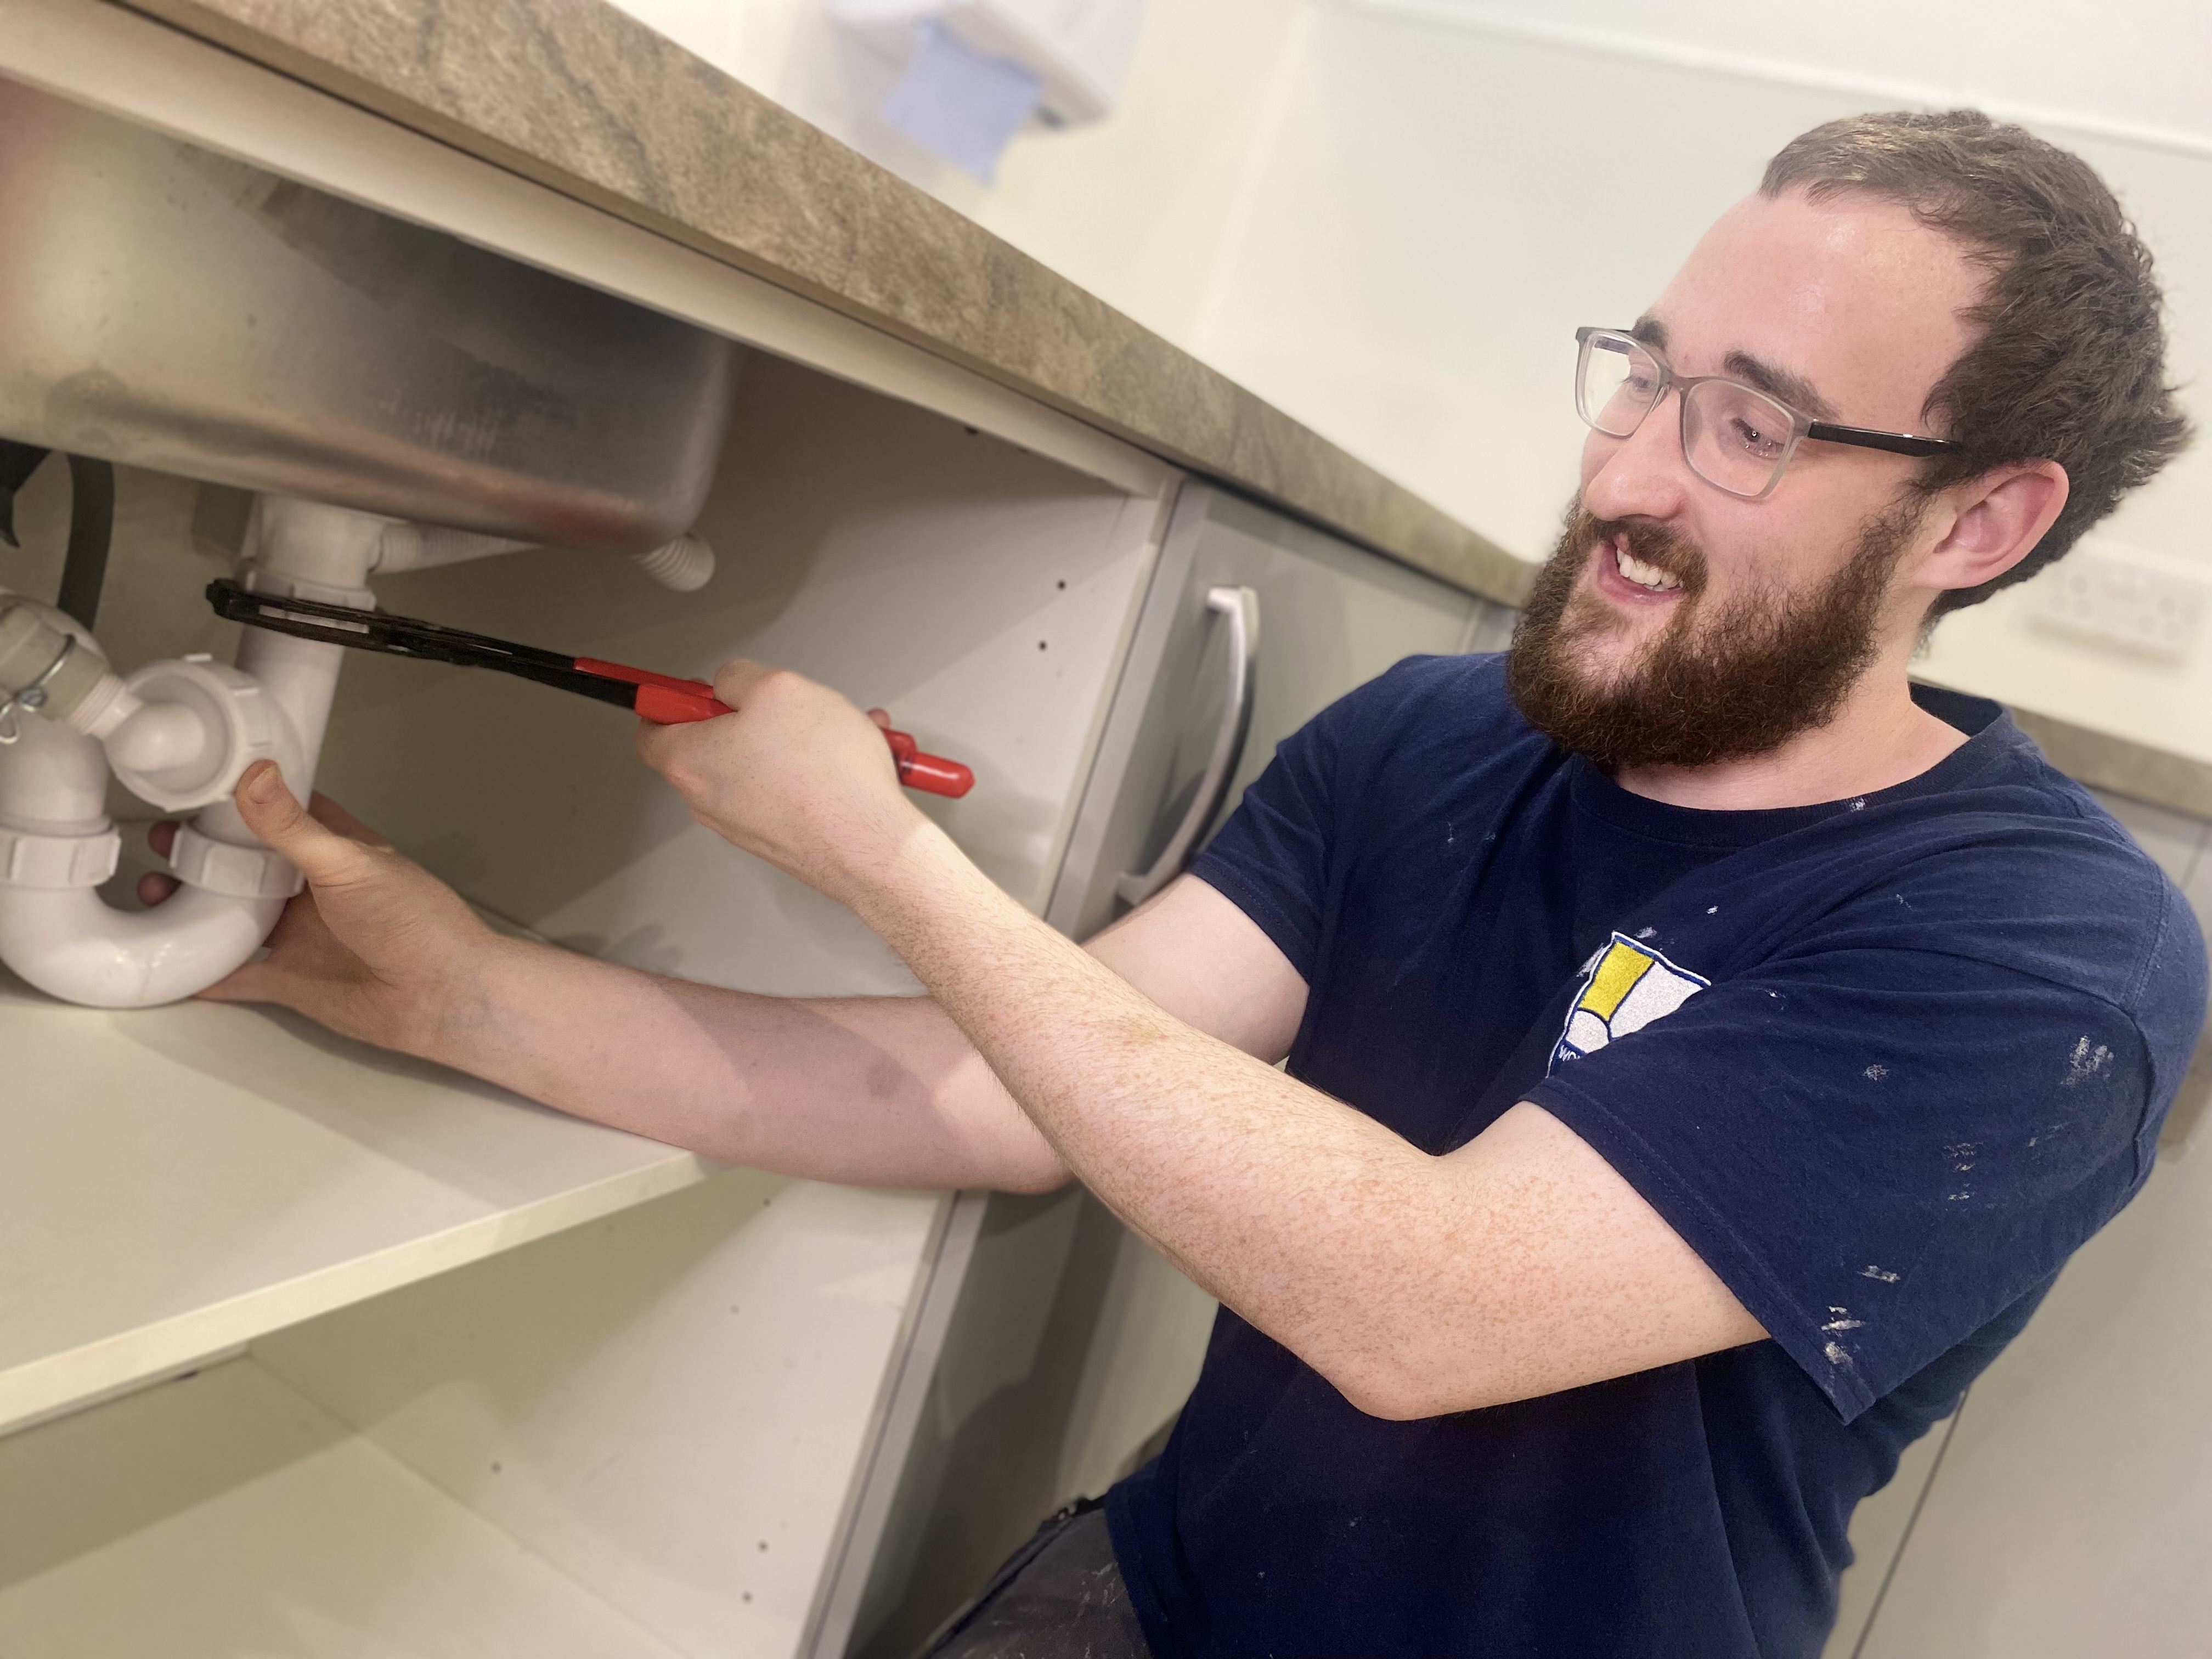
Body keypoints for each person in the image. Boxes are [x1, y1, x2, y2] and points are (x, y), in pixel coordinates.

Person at [150, 110, 2203, 1658]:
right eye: (1647, 371)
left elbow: (1420, 1304)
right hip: (1149, 1596)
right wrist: (449, 988)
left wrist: (882, 855)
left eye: (1749, 425)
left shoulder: (2040, 959)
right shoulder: (1438, 736)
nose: (1628, 472)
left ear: (1986, 521)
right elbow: (993, 1096)